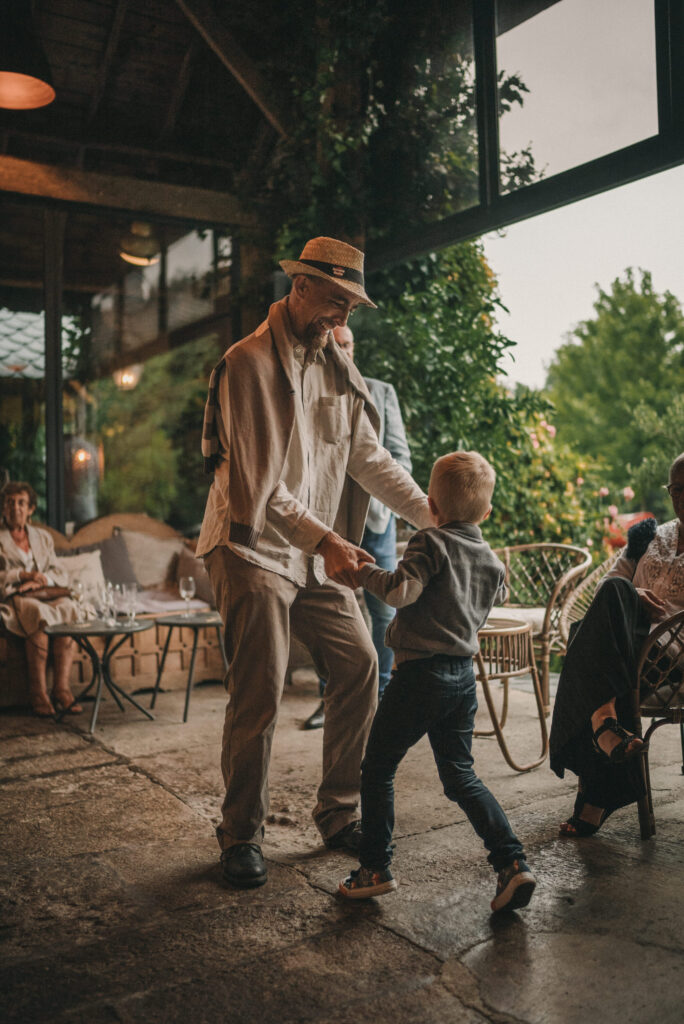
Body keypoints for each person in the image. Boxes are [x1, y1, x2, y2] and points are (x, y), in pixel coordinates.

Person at [197, 236, 433, 889]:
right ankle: (241, 833)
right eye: (336, 301)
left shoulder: (339, 367)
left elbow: (370, 458)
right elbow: (261, 489)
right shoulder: (244, 363)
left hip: (319, 548)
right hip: (251, 544)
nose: (343, 318)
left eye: (351, 306)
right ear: (299, 287)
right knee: (261, 690)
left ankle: (337, 813)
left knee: (360, 663)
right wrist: (327, 541)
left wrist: (433, 515)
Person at [338, 451, 536, 912]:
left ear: (432, 505)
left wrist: (362, 572)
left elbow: (400, 591)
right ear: (486, 512)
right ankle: (511, 863)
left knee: (379, 768)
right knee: (461, 775)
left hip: (418, 676)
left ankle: (374, 868)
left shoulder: (429, 542)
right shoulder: (491, 560)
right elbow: (494, 598)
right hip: (461, 680)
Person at [550, 451, 684, 836]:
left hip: (672, 657)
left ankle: (599, 762)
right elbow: (607, 590)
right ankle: (606, 727)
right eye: (677, 489)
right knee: (616, 590)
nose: (683, 498)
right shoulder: (650, 536)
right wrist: (635, 595)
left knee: (585, 647)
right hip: (628, 649)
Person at [303, 323, 412, 730]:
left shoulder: (380, 391)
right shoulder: (311, 388)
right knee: (326, 609)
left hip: (376, 523)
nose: (342, 352)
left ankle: (380, 695)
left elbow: (399, 455)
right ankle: (329, 698)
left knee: (383, 612)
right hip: (328, 522)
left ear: (354, 347)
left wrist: (388, 497)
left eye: (347, 345)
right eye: (336, 345)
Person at [0, 482, 82, 717]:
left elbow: (60, 571)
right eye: (10, 502)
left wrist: (41, 579)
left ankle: (62, 689)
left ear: (31, 509)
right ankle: (38, 693)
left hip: (44, 593)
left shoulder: (42, 537)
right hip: (13, 596)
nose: (16, 507)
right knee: (36, 613)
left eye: (21, 503)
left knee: (68, 608)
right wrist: (22, 576)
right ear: (4, 508)